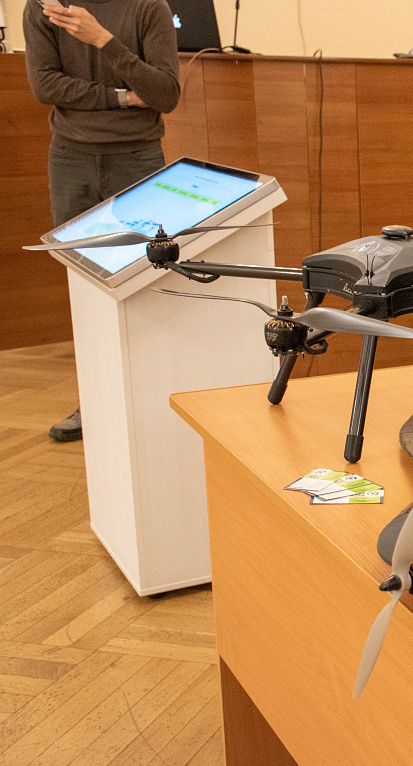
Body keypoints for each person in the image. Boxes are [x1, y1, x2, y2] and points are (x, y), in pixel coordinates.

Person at [24, 0, 181, 442]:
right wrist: (121, 96)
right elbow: (44, 85)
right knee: (86, 284)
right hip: (71, 157)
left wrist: (102, 40)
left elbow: (166, 94)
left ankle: (154, 400)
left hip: (138, 157)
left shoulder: (149, 7)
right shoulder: (45, 7)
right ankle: (95, 400)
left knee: (148, 279)